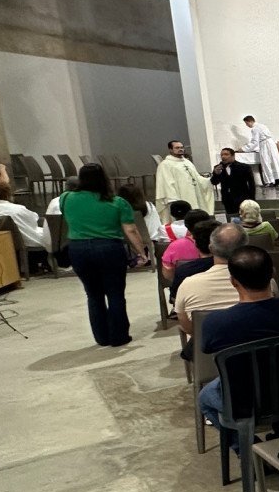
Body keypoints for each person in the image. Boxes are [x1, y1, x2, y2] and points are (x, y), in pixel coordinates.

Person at [195, 246, 279, 492]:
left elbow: (206, 349)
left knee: (205, 396)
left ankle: (249, 451)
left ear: (233, 281)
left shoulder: (217, 323)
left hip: (244, 402)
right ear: (272, 273)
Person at [58, 163, 149, 347]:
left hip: (78, 249)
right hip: (109, 248)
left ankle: (101, 337)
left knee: (93, 294)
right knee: (115, 294)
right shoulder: (117, 202)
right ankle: (119, 336)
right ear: (104, 179)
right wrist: (142, 252)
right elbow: (130, 230)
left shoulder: (66, 198)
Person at [176, 223, 249, 336]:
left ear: (211, 248)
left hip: (207, 351)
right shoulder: (264, 282)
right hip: (254, 348)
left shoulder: (188, 284)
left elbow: (189, 328)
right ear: (245, 248)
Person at [156, 140, 216, 215]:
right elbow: (166, 184)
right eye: (177, 148)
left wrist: (210, 180)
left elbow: (197, 178)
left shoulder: (187, 162)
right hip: (180, 200)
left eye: (182, 147)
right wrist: (174, 200)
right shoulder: (165, 164)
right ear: (170, 149)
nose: (180, 149)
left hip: (195, 196)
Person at [210, 147, 255, 219]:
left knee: (245, 219)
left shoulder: (244, 167)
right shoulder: (218, 167)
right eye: (221, 155)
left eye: (226, 154)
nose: (223, 157)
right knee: (232, 220)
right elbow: (214, 182)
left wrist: (252, 199)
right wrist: (216, 173)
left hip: (242, 198)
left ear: (233, 156)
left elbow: (251, 185)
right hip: (227, 200)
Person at [239, 115, 279, 187]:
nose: (247, 125)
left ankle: (270, 181)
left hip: (265, 145)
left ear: (250, 121)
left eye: (246, 123)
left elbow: (254, 142)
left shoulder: (255, 129)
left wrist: (243, 149)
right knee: (274, 161)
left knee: (266, 162)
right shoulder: (263, 126)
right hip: (271, 144)